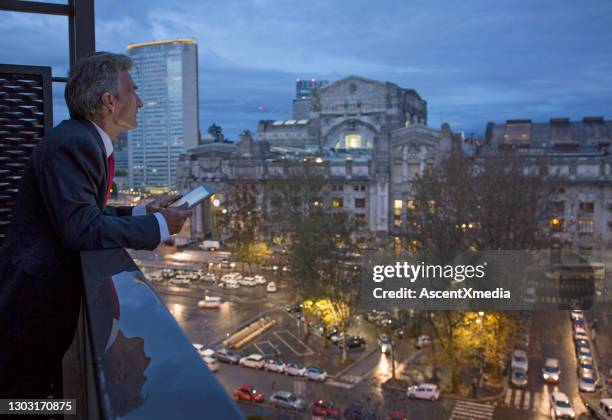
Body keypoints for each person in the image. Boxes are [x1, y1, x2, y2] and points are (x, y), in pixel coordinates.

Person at [0, 52, 192, 399]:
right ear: (108, 100)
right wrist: (161, 226)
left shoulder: (81, 139)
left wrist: (140, 213)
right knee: (22, 400)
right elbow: (79, 227)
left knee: (33, 391)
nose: (141, 102)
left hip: (35, 298)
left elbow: (81, 213)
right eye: (133, 92)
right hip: (32, 302)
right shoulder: (76, 143)